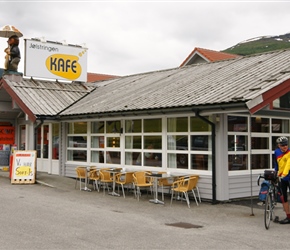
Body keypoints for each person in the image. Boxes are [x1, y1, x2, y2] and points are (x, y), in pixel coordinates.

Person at [273, 136, 290, 224]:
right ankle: (288, 217)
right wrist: (275, 174)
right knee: (284, 198)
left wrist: (284, 174)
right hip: (282, 178)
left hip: (288, 176)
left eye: (286, 144)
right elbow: (276, 165)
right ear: (279, 145)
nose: (285, 146)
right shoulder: (276, 152)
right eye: (283, 145)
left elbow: (288, 165)